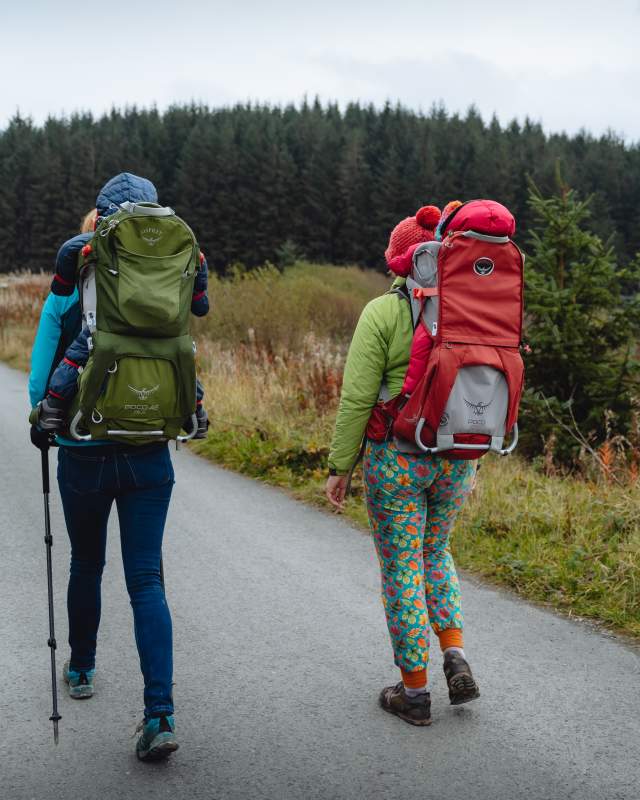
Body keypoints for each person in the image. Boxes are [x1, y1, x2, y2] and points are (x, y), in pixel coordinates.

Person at [29, 172, 200, 760]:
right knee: (147, 578)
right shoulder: (173, 271)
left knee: (86, 562)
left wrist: (43, 417)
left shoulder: (78, 271)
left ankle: (80, 668)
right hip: (150, 448)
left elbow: (43, 362)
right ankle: (160, 714)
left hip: (84, 448)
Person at [325, 203, 480, 727]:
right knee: (437, 551)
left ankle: (414, 693)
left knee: (402, 567)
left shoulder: (382, 313)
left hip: (398, 458)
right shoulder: (470, 308)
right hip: (459, 455)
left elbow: (356, 400)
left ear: (399, 261)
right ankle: (454, 653)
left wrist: (340, 465)